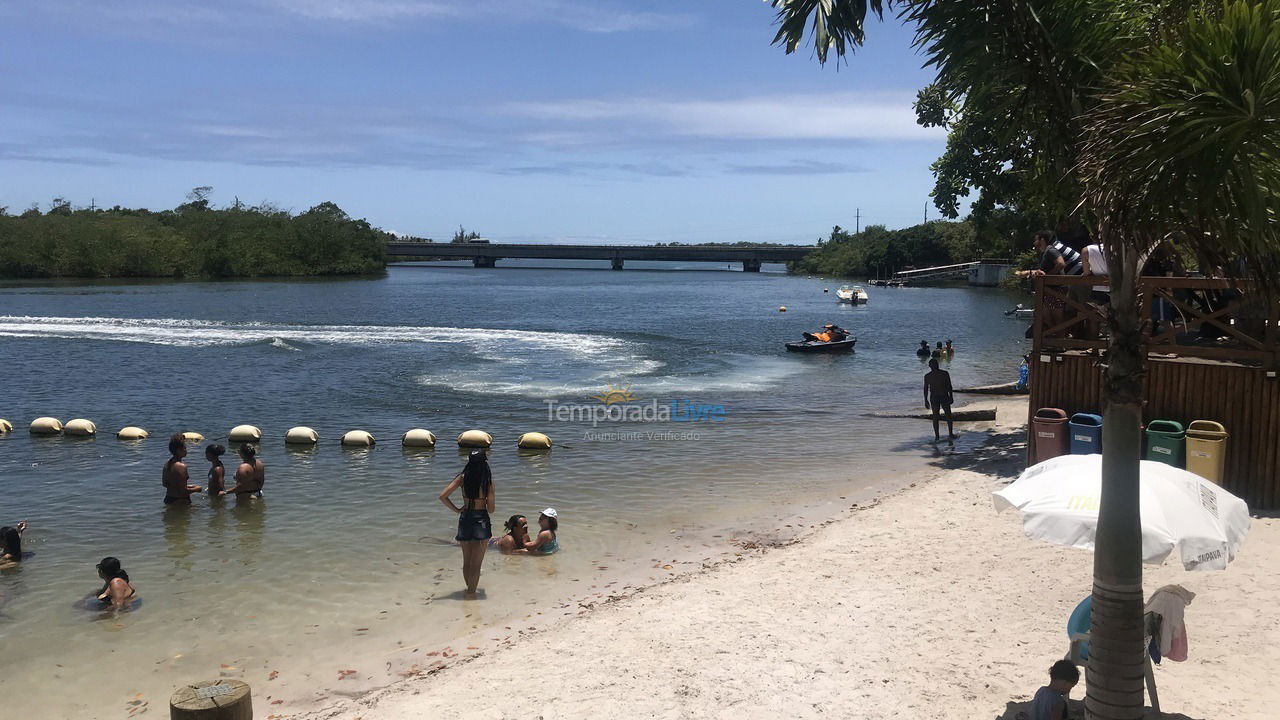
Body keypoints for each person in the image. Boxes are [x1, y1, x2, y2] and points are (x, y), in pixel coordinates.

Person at [439, 450, 496, 596]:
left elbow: (443, 496)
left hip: (465, 518)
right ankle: (471, 594)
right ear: (484, 463)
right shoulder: (487, 481)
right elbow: (491, 509)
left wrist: (458, 510)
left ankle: (470, 590)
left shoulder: (462, 478)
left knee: (467, 562)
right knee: (476, 564)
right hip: (481, 519)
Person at [162, 433, 203, 505]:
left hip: (169, 498)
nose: (186, 450)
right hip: (180, 500)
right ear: (178, 450)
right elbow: (183, 491)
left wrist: (189, 486)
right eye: (185, 448)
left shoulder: (167, 464)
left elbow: (165, 484)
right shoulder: (181, 466)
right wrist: (197, 489)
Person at [923, 358, 956, 442]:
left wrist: (951, 396)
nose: (934, 366)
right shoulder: (928, 376)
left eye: (935, 365)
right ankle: (938, 436)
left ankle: (949, 434)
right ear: (930, 366)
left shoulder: (944, 374)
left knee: (946, 415)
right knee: (937, 417)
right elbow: (925, 389)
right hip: (936, 397)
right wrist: (925, 400)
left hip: (942, 396)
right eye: (933, 365)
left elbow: (949, 386)